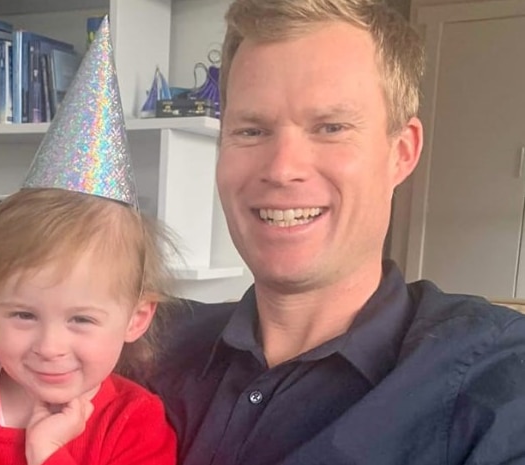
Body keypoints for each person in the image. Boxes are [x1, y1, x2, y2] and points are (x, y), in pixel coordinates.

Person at [148, 1, 525, 464]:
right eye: (251, 130)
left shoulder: (500, 382)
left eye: (330, 127)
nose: (283, 169)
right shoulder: (136, 347)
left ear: (401, 153)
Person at [0, 17, 176, 465]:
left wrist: (46, 456)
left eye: (81, 319)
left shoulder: (135, 423)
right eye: (23, 314)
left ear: (136, 318)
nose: (49, 346)